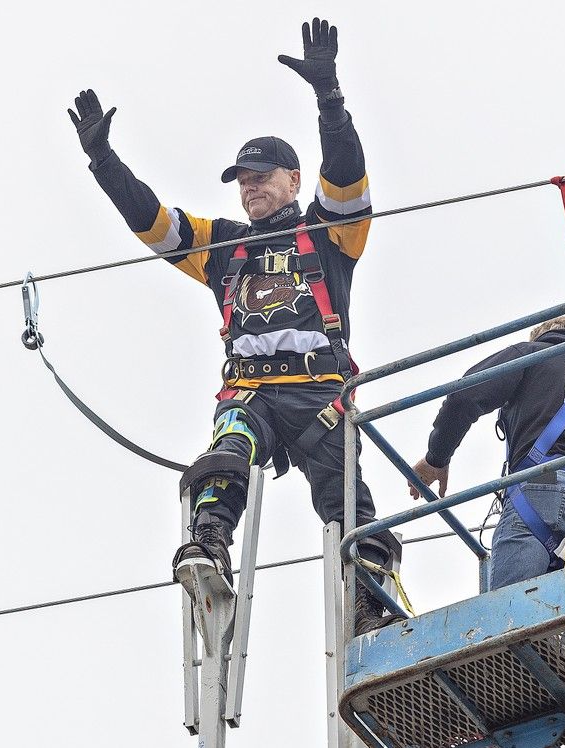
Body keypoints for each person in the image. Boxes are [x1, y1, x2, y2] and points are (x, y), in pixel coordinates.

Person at [68, 18, 398, 634]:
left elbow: (349, 178)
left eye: (262, 178)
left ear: (293, 181)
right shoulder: (223, 248)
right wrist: (104, 160)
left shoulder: (330, 234)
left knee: (350, 502)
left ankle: (371, 606)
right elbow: (154, 221)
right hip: (251, 395)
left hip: (322, 396)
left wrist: (330, 98)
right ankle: (209, 545)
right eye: (243, 181)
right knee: (227, 451)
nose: (250, 190)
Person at [410, 315, 565, 590]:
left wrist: (436, 457)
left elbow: (465, 396)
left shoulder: (534, 354)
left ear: (546, 336)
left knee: (513, 620)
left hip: (542, 488)